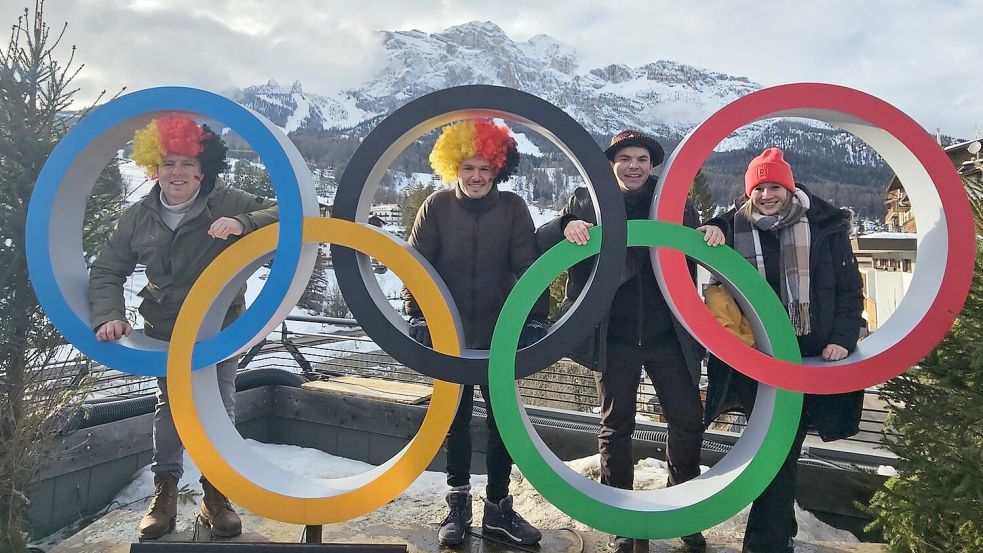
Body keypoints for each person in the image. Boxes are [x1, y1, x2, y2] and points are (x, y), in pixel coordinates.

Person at [88, 114, 278, 540]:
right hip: (166, 330)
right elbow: (107, 270)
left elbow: (286, 211)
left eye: (188, 163)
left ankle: (216, 494)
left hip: (220, 329)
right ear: (154, 168)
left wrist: (244, 223)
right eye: (168, 163)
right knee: (171, 409)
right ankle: (166, 493)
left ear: (202, 169)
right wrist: (109, 315)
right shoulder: (137, 217)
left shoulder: (227, 201)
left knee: (219, 406)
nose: (177, 172)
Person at [536, 130, 724, 553]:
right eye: (625, 159)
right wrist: (566, 225)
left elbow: (701, 247)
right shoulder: (586, 200)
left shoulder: (674, 202)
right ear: (611, 164)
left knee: (687, 421)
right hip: (613, 337)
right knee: (615, 426)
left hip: (668, 335)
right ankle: (619, 516)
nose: (633, 166)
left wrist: (714, 230)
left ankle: (684, 511)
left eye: (641, 159)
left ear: (652, 165)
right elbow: (542, 240)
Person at [703, 147, 864, 553]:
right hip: (756, 361)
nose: (766, 195)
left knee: (778, 451)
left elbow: (849, 290)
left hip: (808, 360)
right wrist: (714, 227)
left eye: (774, 187)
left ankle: (768, 541)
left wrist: (842, 339)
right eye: (758, 188)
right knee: (774, 452)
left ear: (790, 188)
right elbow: (704, 236)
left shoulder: (825, 227)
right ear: (748, 192)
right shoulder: (734, 226)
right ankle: (776, 534)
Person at [402, 120, 547, 547]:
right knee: (455, 418)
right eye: (468, 167)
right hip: (450, 333)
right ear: (454, 167)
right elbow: (416, 264)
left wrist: (534, 318)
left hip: (500, 332)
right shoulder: (436, 206)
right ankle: (458, 504)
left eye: (485, 168)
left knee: (504, 422)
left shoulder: (513, 208)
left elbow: (530, 267)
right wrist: (418, 314)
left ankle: (499, 507)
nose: (477, 176)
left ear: (498, 168)